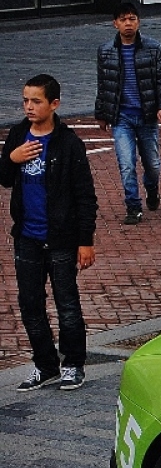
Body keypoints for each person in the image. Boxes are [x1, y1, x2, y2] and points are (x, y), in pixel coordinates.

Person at [1, 75, 98, 391]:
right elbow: (4, 178)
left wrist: (86, 241)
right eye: (26, 100)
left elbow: (85, 195)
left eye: (36, 101)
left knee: (67, 303)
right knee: (30, 304)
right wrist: (12, 159)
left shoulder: (69, 144)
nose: (29, 106)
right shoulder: (18, 135)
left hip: (61, 239)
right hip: (27, 238)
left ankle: (72, 364)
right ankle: (45, 366)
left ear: (54, 104)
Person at [95, 2, 161, 225]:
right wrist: (101, 112)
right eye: (123, 20)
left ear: (138, 21)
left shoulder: (154, 48)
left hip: (147, 116)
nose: (128, 24)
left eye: (132, 19)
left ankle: (152, 189)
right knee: (126, 163)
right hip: (122, 117)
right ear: (115, 23)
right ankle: (133, 206)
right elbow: (104, 84)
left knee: (153, 165)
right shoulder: (106, 51)